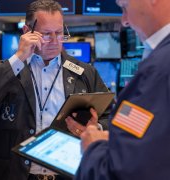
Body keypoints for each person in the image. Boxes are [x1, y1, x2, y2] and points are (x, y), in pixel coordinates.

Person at [0, 0, 109, 179]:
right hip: (15, 174)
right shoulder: (9, 69)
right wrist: (19, 57)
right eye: (46, 34)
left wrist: (94, 127)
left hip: (67, 174)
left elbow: (110, 117)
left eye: (59, 33)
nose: (55, 41)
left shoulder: (84, 72)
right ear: (28, 32)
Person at [75, 0, 170, 179]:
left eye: (125, 6)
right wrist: (121, 139)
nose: (125, 20)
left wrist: (93, 148)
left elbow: (122, 172)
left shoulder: (158, 70)